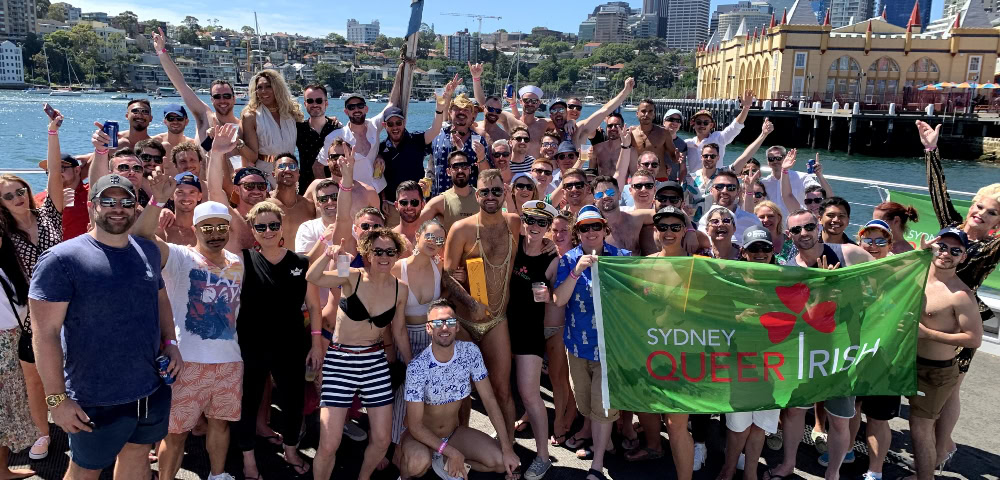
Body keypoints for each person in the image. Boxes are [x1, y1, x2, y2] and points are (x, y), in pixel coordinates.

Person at [28, 173, 182, 479]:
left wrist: (171, 343)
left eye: (126, 201)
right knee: (86, 470)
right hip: (94, 396)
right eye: (107, 201)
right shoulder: (61, 259)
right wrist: (57, 399)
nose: (117, 208)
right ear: (91, 206)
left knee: (138, 455)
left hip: (150, 388)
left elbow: (160, 300)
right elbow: (44, 335)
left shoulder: (147, 250)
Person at [133, 172, 244, 480]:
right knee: (175, 432)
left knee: (220, 424)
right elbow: (141, 237)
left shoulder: (237, 261)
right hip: (187, 362)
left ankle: (218, 474)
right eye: (207, 227)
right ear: (195, 229)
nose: (215, 233)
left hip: (229, 361)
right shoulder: (179, 257)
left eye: (221, 227)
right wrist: (156, 201)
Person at [765, 209, 873, 480]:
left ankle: (833, 474)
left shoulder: (849, 254)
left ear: (819, 227)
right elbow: (790, 314)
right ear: (789, 235)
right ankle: (789, 464)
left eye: (809, 227)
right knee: (794, 413)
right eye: (797, 230)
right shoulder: (789, 269)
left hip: (842, 351)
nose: (804, 233)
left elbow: (886, 277)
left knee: (839, 419)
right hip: (805, 352)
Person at [917, 119, 1000, 472]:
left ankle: (940, 450)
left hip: (961, 318)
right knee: (938, 389)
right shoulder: (953, 224)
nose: (980, 213)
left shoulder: (990, 246)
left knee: (951, 389)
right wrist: (932, 151)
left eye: (992, 212)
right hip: (932, 308)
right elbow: (940, 195)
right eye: (979, 206)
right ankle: (940, 447)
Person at [307, 226, 410, 480]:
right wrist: (328, 254)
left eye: (390, 251)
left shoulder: (400, 289)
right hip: (340, 360)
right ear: (367, 253)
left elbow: (398, 332)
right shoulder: (350, 276)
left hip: (375, 361)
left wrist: (413, 363)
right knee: (329, 444)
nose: (384, 256)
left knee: (383, 439)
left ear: (397, 254)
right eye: (378, 251)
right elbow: (314, 276)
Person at [233, 201, 323, 478]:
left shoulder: (300, 263)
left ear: (282, 225)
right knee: (248, 403)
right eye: (261, 226)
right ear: (252, 229)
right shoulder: (243, 260)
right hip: (251, 345)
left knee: (293, 402)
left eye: (273, 225)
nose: (268, 230)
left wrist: (317, 343)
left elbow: (314, 306)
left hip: (292, 345)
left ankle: (291, 450)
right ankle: (249, 460)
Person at [1, 112, 70, 460]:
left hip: (73, 303)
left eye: (19, 191)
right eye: (8, 195)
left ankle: (74, 424)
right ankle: (42, 433)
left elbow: (55, 174)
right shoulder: (5, 236)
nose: (16, 198)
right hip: (35, 312)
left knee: (76, 368)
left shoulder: (49, 215)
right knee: (35, 376)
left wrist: (52, 132)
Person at [397, 299, 520, 480]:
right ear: (428, 328)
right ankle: (415, 468)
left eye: (450, 322)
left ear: (457, 327)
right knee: (417, 462)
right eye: (437, 323)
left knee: (502, 462)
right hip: (421, 439)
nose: (444, 328)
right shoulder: (417, 367)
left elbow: (490, 401)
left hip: (452, 434)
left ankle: (441, 463)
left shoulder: (470, 353)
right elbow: (415, 426)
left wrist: (507, 448)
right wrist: (452, 452)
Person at [443, 168, 521, 444]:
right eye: (485, 191)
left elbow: (541, 238)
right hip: (464, 322)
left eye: (496, 191)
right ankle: (460, 445)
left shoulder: (514, 224)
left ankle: (508, 446)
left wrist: (547, 244)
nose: (491, 196)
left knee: (502, 389)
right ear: (477, 195)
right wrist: (469, 302)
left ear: (505, 194)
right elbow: (446, 276)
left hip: (497, 320)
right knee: (462, 392)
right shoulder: (461, 229)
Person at [553, 205, 631, 480]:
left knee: (602, 405)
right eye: (584, 228)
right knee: (586, 403)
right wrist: (576, 271)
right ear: (578, 233)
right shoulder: (568, 260)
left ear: (604, 229)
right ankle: (604, 442)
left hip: (610, 349)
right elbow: (559, 300)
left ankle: (597, 465)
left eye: (596, 226)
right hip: (577, 346)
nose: (591, 232)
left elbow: (638, 295)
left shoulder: (622, 258)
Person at [904, 228, 981, 480]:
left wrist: (929, 334)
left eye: (955, 250)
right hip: (905, 362)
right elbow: (890, 272)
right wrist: (919, 254)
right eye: (941, 247)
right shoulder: (920, 275)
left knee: (920, 428)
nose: (946, 254)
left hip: (935, 370)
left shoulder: (960, 295)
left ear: (963, 258)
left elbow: (974, 338)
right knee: (881, 416)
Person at [715, 225, 780, 480]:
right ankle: (729, 467)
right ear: (744, 252)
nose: (761, 253)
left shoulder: (783, 278)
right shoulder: (730, 281)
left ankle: (751, 470)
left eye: (765, 248)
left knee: (760, 425)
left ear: (773, 251)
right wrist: (739, 317)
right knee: (738, 425)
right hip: (738, 364)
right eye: (754, 249)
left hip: (774, 364)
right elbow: (714, 317)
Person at [504, 200, 560, 479]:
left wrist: (548, 296)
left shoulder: (553, 259)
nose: (535, 226)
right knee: (502, 389)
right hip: (502, 328)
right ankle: (505, 440)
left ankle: (543, 456)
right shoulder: (513, 246)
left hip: (529, 332)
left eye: (542, 222)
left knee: (529, 393)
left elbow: (559, 298)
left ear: (549, 227)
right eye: (531, 220)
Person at [388, 218, 448, 447]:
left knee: (430, 396)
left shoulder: (438, 266)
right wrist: (409, 359)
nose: (434, 242)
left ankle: (425, 445)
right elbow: (397, 324)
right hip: (405, 337)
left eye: (439, 239)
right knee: (404, 394)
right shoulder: (398, 268)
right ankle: (395, 446)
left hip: (432, 338)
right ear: (418, 236)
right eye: (430, 236)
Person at [152, 27, 251, 162]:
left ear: (234, 99)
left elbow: (253, 158)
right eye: (217, 96)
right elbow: (181, 85)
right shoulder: (205, 117)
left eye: (227, 96)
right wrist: (161, 51)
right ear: (211, 100)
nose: (222, 100)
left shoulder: (243, 127)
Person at [320, 63, 406, 195]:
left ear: (366, 109)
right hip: (353, 195)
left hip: (378, 191)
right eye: (351, 107)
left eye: (360, 106)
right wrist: (326, 194)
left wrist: (400, 72)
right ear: (346, 112)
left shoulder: (374, 125)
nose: (356, 110)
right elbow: (320, 165)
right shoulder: (335, 137)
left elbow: (391, 103)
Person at [0, 227, 41, 480]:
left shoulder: (8, 266)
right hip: (5, 345)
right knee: (4, 411)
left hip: (15, 340)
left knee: (7, 410)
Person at [378, 88, 448, 203]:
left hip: (416, 203)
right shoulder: (381, 148)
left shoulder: (416, 140)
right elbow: (379, 178)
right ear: (384, 125)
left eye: (398, 123)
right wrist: (384, 200)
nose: (395, 127)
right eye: (390, 124)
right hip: (391, 204)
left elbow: (435, 130)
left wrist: (439, 110)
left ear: (404, 122)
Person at [206, 124, 268, 252]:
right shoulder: (231, 218)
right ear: (237, 189)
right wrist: (216, 154)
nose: (256, 191)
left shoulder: (273, 219)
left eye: (261, 186)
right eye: (249, 186)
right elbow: (214, 190)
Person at [241, 69, 303, 188]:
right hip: (265, 173)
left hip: (289, 171)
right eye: (259, 87)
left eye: (268, 86)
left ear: (277, 88)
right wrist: (237, 143)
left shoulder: (291, 114)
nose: (263, 91)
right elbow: (253, 156)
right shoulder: (251, 116)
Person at [429, 93, 490, 196]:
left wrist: (481, 157)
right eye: (457, 108)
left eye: (466, 109)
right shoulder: (437, 135)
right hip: (439, 198)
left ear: (472, 115)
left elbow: (486, 175)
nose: (461, 112)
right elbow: (429, 163)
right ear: (449, 112)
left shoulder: (479, 141)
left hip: (468, 201)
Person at [683, 90, 753, 173]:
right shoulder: (687, 144)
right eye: (698, 122)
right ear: (693, 124)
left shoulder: (718, 138)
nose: (702, 125)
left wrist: (746, 108)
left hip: (716, 183)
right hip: (694, 184)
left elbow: (735, 127)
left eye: (706, 123)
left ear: (711, 125)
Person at [296, 84, 343, 194]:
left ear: (326, 103)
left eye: (319, 100)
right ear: (305, 104)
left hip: (334, 191)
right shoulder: (298, 129)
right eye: (310, 101)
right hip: (306, 190)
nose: (314, 104)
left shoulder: (337, 128)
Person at [416, 151, 479, 232]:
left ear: (469, 170)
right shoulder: (440, 202)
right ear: (448, 172)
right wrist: (417, 196)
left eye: (464, 166)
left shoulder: (482, 197)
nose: (460, 170)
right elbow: (415, 226)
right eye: (455, 167)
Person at [590, 175, 653, 253]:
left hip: (638, 264)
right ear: (595, 201)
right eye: (599, 195)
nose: (605, 196)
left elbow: (664, 214)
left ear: (619, 195)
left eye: (610, 192)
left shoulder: (634, 219)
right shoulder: (592, 231)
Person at [620, 99, 679, 182]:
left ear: (654, 115)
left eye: (650, 111)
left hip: (660, 178)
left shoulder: (663, 133)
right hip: (639, 180)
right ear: (637, 114)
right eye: (643, 111)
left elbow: (674, 158)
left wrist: (677, 157)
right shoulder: (630, 134)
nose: (646, 114)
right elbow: (624, 158)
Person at [697, 171, 762, 245]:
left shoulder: (752, 220)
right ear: (711, 190)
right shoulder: (704, 221)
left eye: (731, 188)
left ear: (738, 192)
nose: (724, 191)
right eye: (719, 187)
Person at [265, 153, 316, 247]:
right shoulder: (264, 206)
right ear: (273, 174)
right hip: (272, 261)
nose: (288, 170)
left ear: (298, 174)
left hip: (302, 260)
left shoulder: (309, 206)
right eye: (282, 166)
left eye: (292, 167)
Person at [764, 148, 831, 217]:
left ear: (785, 158)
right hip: (774, 226)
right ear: (767, 161)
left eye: (778, 158)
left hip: (800, 222)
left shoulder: (802, 178)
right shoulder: (764, 183)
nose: (775, 161)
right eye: (771, 159)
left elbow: (828, 196)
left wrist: (820, 175)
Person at [156, 173, 203, 247]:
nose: (186, 197)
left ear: (199, 196)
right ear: (171, 195)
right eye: (180, 192)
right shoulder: (162, 227)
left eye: (192, 192)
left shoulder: (205, 230)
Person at [391, 181, 427, 252]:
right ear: (396, 205)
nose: (409, 207)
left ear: (422, 205)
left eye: (414, 202)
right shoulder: (389, 238)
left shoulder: (431, 237)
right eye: (404, 202)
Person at [590, 112, 627, 177]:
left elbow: (634, 175)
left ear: (623, 127)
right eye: (610, 126)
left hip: (621, 186)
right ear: (606, 128)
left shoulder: (629, 151)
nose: (613, 128)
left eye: (617, 126)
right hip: (601, 185)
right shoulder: (596, 149)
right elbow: (591, 173)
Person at [662, 109, 689, 181]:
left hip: (671, 183)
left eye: (678, 121)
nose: (674, 123)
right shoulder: (654, 139)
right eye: (671, 119)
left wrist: (680, 186)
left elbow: (682, 169)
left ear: (680, 125)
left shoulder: (682, 144)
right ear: (664, 122)